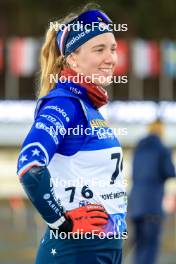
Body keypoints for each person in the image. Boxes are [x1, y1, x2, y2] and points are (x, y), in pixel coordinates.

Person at [17, 5, 127, 264]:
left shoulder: (88, 107)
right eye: (99, 49)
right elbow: (30, 166)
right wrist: (62, 222)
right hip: (74, 251)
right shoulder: (64, 103)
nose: (110, 58)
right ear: (73, 59)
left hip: (103, 248)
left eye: (112, 49)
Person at [128, 119, 175, 264]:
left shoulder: (138, 149)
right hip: (152, 204)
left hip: (136, 205)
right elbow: (170, 171)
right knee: (150, 246)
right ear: (161, 131)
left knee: (139, 245)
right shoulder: (162, 149)